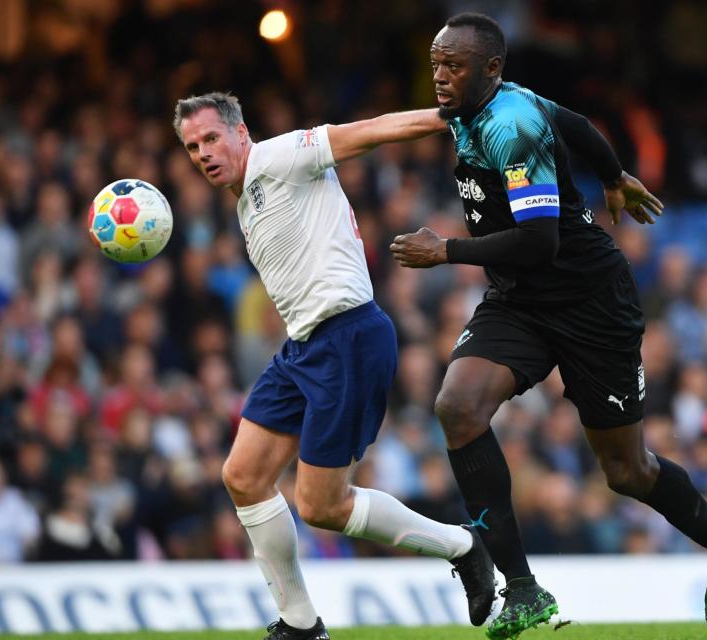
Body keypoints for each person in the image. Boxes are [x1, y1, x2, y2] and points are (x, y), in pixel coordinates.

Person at [390, 13, 707, 638]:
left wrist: (444, 251)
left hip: (590, 303)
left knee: (627, 472)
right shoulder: (501, 103)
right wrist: (613, 176)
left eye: (453, 66)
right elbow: (579, 126)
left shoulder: (512, 125)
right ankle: (523, 591)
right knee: (457, 406)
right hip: (521, 302)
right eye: (435, 65)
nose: (440, 77)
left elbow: (537, 243)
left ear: (491, 69)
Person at [173, 92, 495, 640]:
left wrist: (451, 117)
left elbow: (366, 131)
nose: (202, 152)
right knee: (244, 477)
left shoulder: (280, 156)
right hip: (304, 347)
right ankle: (300, 623)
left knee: (322, 505)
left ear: (241, 133)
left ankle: (463, 545)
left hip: (348, 336)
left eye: (210, 138)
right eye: (191, 146)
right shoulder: (245, 201)